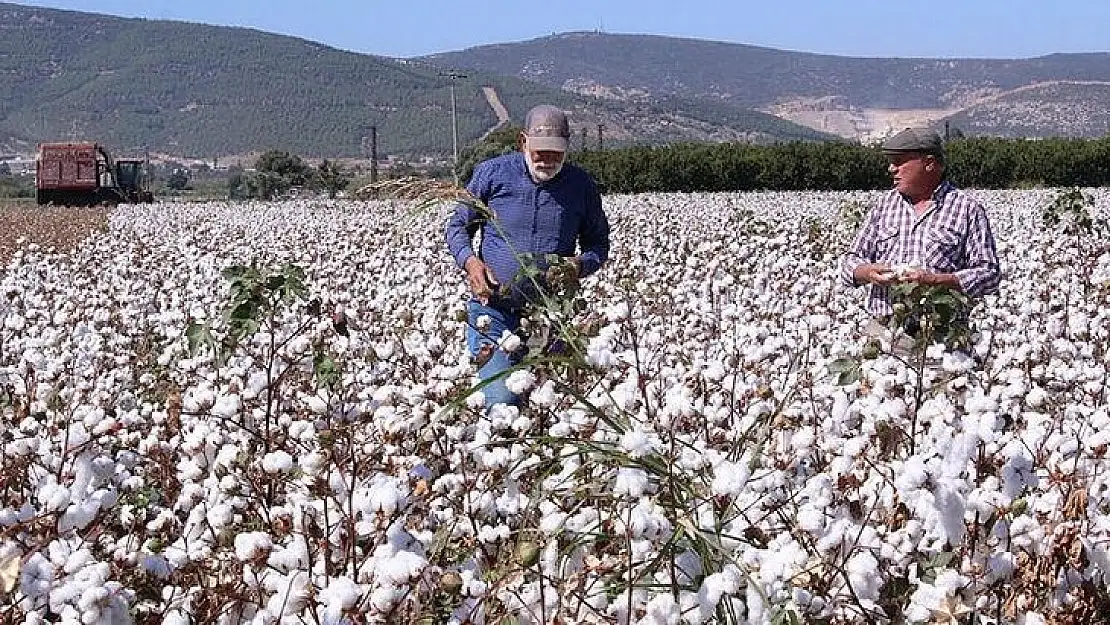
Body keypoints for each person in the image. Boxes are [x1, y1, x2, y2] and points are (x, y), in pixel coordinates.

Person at [446, 104, 611, 407]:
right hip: (493, 311)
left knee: (552, 406)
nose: (547, 159)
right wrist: (471, 263)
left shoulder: (581, 186)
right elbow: (457, 225)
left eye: (555, 152)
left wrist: (580, 265)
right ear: (523, 142)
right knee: (503, 399)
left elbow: (599, 245)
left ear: (567, 147)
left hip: (551, 317)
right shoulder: (492, 174)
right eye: (540, 151)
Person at [841, 127, 1001, 338]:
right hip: (883, 332)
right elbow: (850, 261)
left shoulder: (967, 209)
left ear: (929, 163)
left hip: (941, 335)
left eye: (899, 161)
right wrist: (868, 272)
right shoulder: (883, 206)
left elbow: (989, 273)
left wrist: (935, 280)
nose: (891, 168)